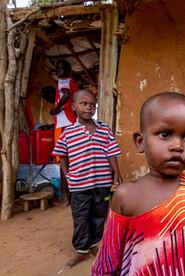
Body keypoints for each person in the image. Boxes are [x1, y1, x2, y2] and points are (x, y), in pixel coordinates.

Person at [91, 92, 185, 276]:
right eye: (165, 135)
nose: (178, 146)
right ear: (140, 142)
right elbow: (108, 259)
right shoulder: (127, 195)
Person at [52, 89, 122, 268]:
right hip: (79, 185)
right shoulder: (68, 132)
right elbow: (62, 156)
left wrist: (117, 174)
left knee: (99, 215)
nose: (89, 107)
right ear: (74, 107)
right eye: (84, 104)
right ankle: (81, 250)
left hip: (102, 183)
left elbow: (112, 154)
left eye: (92, 104)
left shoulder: (104, 129)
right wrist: (68, 175)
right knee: (81, 216)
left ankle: (93, 244)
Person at [50, 60, 78, 204]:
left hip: (65, 123)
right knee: (69, 159)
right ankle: (70, 194)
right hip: (66, 122)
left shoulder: (64, 81)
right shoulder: (69, 81)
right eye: (57, 69)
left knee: (64, 159)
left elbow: (66, 94)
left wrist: (57, 109)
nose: (58, 71)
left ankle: (69, 194)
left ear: (68, 70)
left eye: (61, 68)